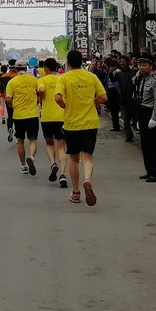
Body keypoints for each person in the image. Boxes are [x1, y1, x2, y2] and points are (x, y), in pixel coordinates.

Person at [56, 49, 107, 206]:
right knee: (87, 157)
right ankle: (87, 180)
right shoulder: (91, 77)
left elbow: (57, 97)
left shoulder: (64, 78)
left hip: (71, 123)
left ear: (68, 63)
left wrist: (65, 105)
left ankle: (76, 192)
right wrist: (92, 102)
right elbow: (104, 97)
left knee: (73, 158)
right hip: (90, 123)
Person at [134, 56, 156, 183]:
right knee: (145, 144)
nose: (141, 67)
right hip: (142, 112)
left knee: (153, 145)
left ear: (151, 66)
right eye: (140, 65)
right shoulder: (141, 79)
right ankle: (149, 170)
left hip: (150, 112)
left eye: (144, 65)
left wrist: (154, 118)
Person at [38, 57, 68, 187]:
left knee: (49, 143)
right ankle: (62, 174)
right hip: (62, 116)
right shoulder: (63, 78)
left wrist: (41, 98)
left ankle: (52, 163)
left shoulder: (42, 80)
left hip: (47, 117)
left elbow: (42, 90)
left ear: (45, 68)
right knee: (61, 146)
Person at [6, 64, 40, 176]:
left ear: (15, 69)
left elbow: (8, 99)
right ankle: (31, 157)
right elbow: (40, 92)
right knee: (33, 139)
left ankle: (23, 166)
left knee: (20, 140)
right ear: (26, 69)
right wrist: (37, 102)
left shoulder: (12, 82)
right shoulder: (34, 80)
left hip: (18, 115)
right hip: (33, 114)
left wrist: (12, 107)